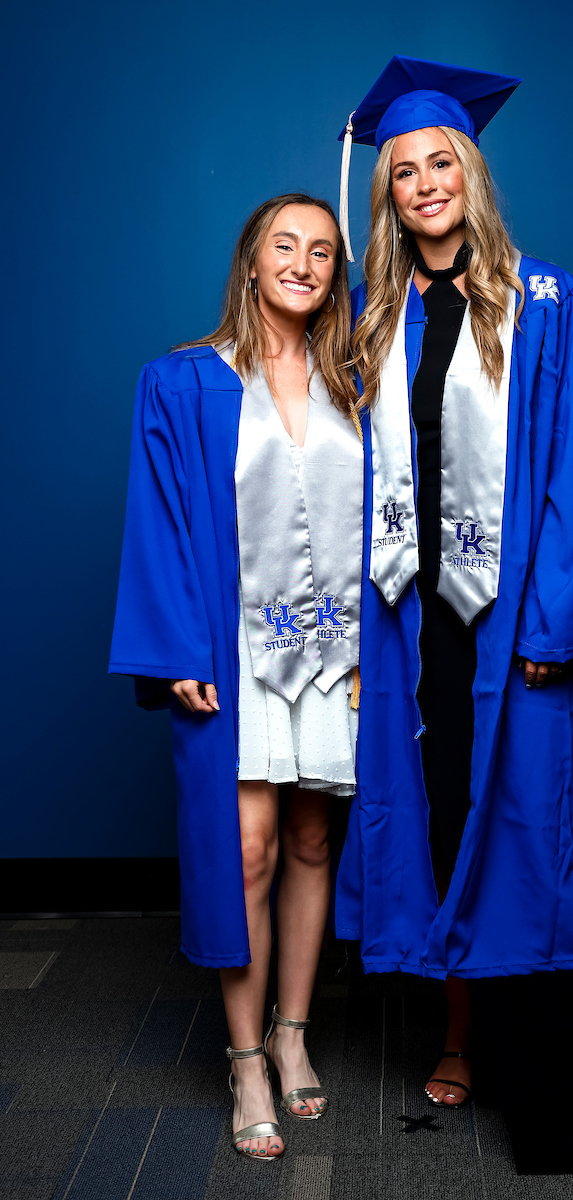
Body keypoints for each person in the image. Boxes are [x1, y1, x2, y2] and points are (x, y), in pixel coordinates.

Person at [334, 58, 573, 1172]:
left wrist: (547, 628)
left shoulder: (541, 300)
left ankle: (524, 1059)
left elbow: (570, 474)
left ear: (471, 172)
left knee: (517, 820)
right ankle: (460, 1030)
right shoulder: (371, 314)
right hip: (405, 619)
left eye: (440, 163)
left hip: (506, 618)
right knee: (435, 816)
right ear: (386, 192)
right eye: (403, 170)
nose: (423, 183)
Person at [109, 194, 363, 1162]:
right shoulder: (182, 382)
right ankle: (245, 1055)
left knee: (309, 837)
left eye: (323, 251)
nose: (303, 262)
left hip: (339, 647)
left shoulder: (355, 382)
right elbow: (159, 519)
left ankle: (295, 1033)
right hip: (233, 646)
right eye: (283, 246)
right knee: (247, 847)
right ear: (250, 263)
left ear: (336, 272)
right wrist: (177, 648)